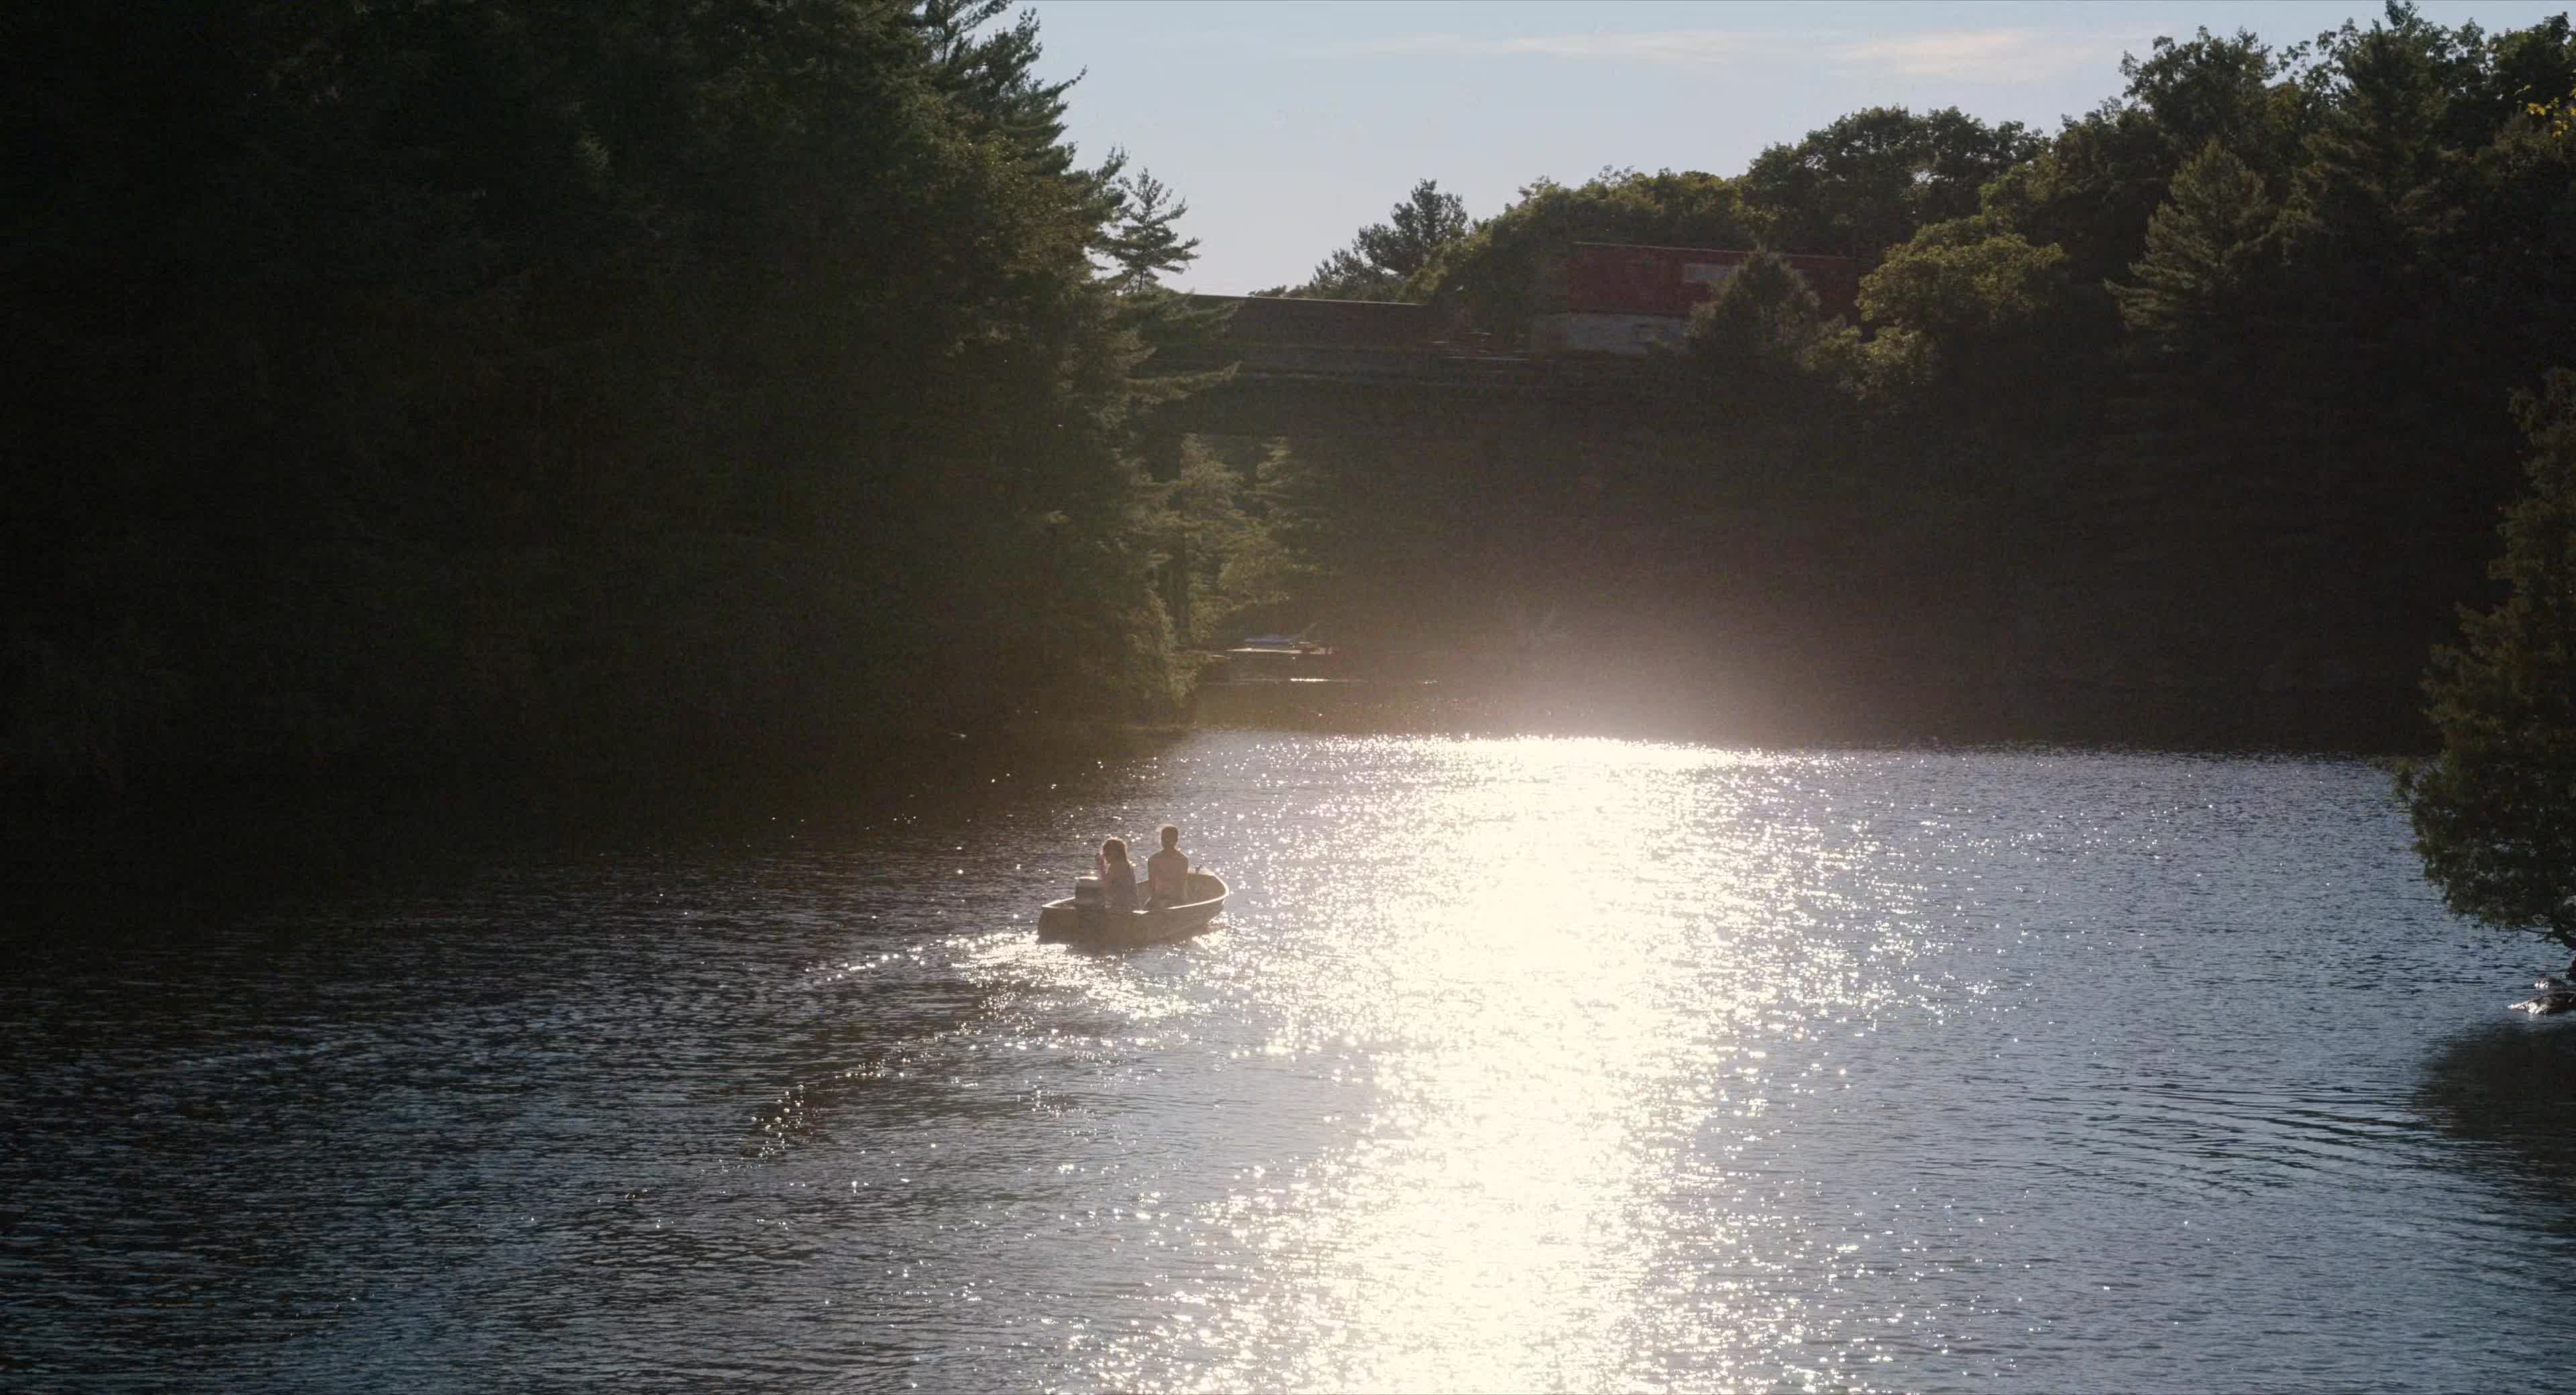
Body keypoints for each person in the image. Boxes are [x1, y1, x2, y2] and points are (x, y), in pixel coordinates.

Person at [1145, 824, 1190, 907]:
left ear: (1176, 840)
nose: (1166, 841)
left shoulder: (1182, 860)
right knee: (1148, 907)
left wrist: (1169, 901)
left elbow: (1180, 886)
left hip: (1177, 899)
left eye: (1169, 839)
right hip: (1158, 897)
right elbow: (1152, 886)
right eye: (1163, 839)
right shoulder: (1153, 859)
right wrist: (1158, 900)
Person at [1095, 838, 1138, 913]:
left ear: (1117, 853)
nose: (1105, 856)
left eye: (1108, 853)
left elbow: (1105, 887)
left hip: (1121, 907)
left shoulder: (1115, 866)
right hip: (1132, 905)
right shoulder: (1127, 864)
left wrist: (1101, 866)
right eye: (1104, 854)